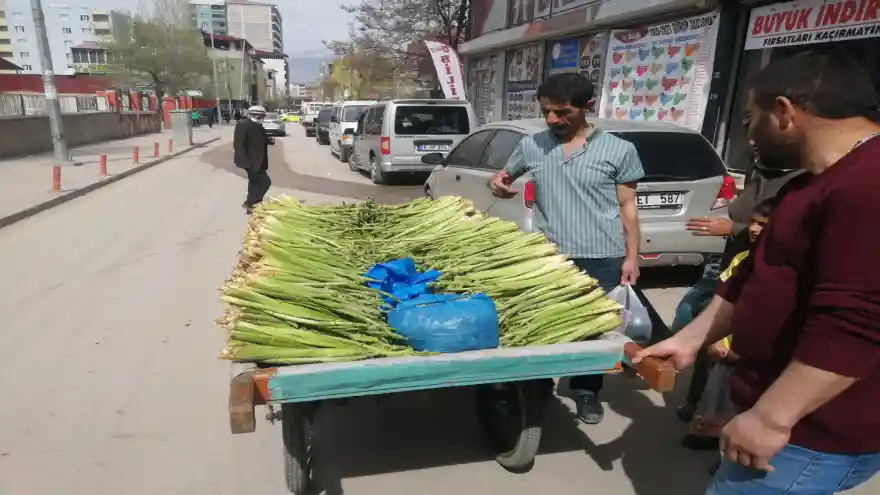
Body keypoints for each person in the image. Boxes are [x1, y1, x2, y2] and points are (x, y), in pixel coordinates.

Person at [635, 50, 880, 494]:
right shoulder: (811, 183)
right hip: (787, 422)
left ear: (784, 112)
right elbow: (753, 273)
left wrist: (771, 417)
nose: (747, 131)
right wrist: (691, 339)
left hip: (809, 436)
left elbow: (856, 322)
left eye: (751, 117)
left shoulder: (868, 184)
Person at [490, 73, 643, 424]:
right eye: (546, 112)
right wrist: (498, 183)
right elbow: (502, 177)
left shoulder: (620, 150)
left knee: (593, 329)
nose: (552, 120)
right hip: (548, 256)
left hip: (602, 256)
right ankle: (539, 383)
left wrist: (632, 256)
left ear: (587, 107)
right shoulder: (533, 145)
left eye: (562, 112)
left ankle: (587, 390)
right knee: (542, 323)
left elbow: (628, 207)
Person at [673, 141, 805, 429]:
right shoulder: (762, 170)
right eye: (746, 125)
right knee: (697, 325)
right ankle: (700, 406)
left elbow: (786, 231)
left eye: (755, 122)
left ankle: (724, 422)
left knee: (729, 352)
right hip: (734, 265)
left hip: (760, 275)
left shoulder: (805, 182)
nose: (752, 139)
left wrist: (734, 229)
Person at [684, 198, 777, 454]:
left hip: (754, 351)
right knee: (716, 395)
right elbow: (726, 306)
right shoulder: (742, 261)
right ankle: (709, 435)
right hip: (728, 349)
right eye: (753, 223)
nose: (756, 229)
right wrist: (719, 341)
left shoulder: (781, 270)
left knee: (745, 409)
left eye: (763, 224)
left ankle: (732, 457)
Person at [234, 105, 271, 214]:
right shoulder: (243, 125)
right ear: (255, 115)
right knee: (265, 182)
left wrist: (269, 140)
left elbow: (261, 140)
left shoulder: (258, 125)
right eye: (261, 115)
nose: (262, 118)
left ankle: (254, 205)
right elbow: (239, 144)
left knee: (254, 183)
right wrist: (245, 162)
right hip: (249, 161)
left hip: (259, 161)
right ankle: (250, 203)